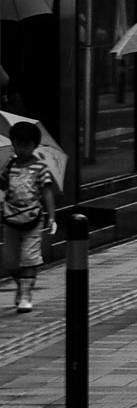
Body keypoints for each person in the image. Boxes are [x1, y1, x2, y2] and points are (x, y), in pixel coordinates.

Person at [2, 121, 57, 316]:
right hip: (11, 218)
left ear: (35, 146)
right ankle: (21, 285)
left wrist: (51, 217)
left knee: (29, 257)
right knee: (9, 260)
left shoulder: (40, 168)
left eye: (27, 145)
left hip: (33, 218)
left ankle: (26, 293)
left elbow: (47, 191)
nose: (22, 149)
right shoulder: (10, 165)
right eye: (18, 144)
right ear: (13, 144)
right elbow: (3, 184)